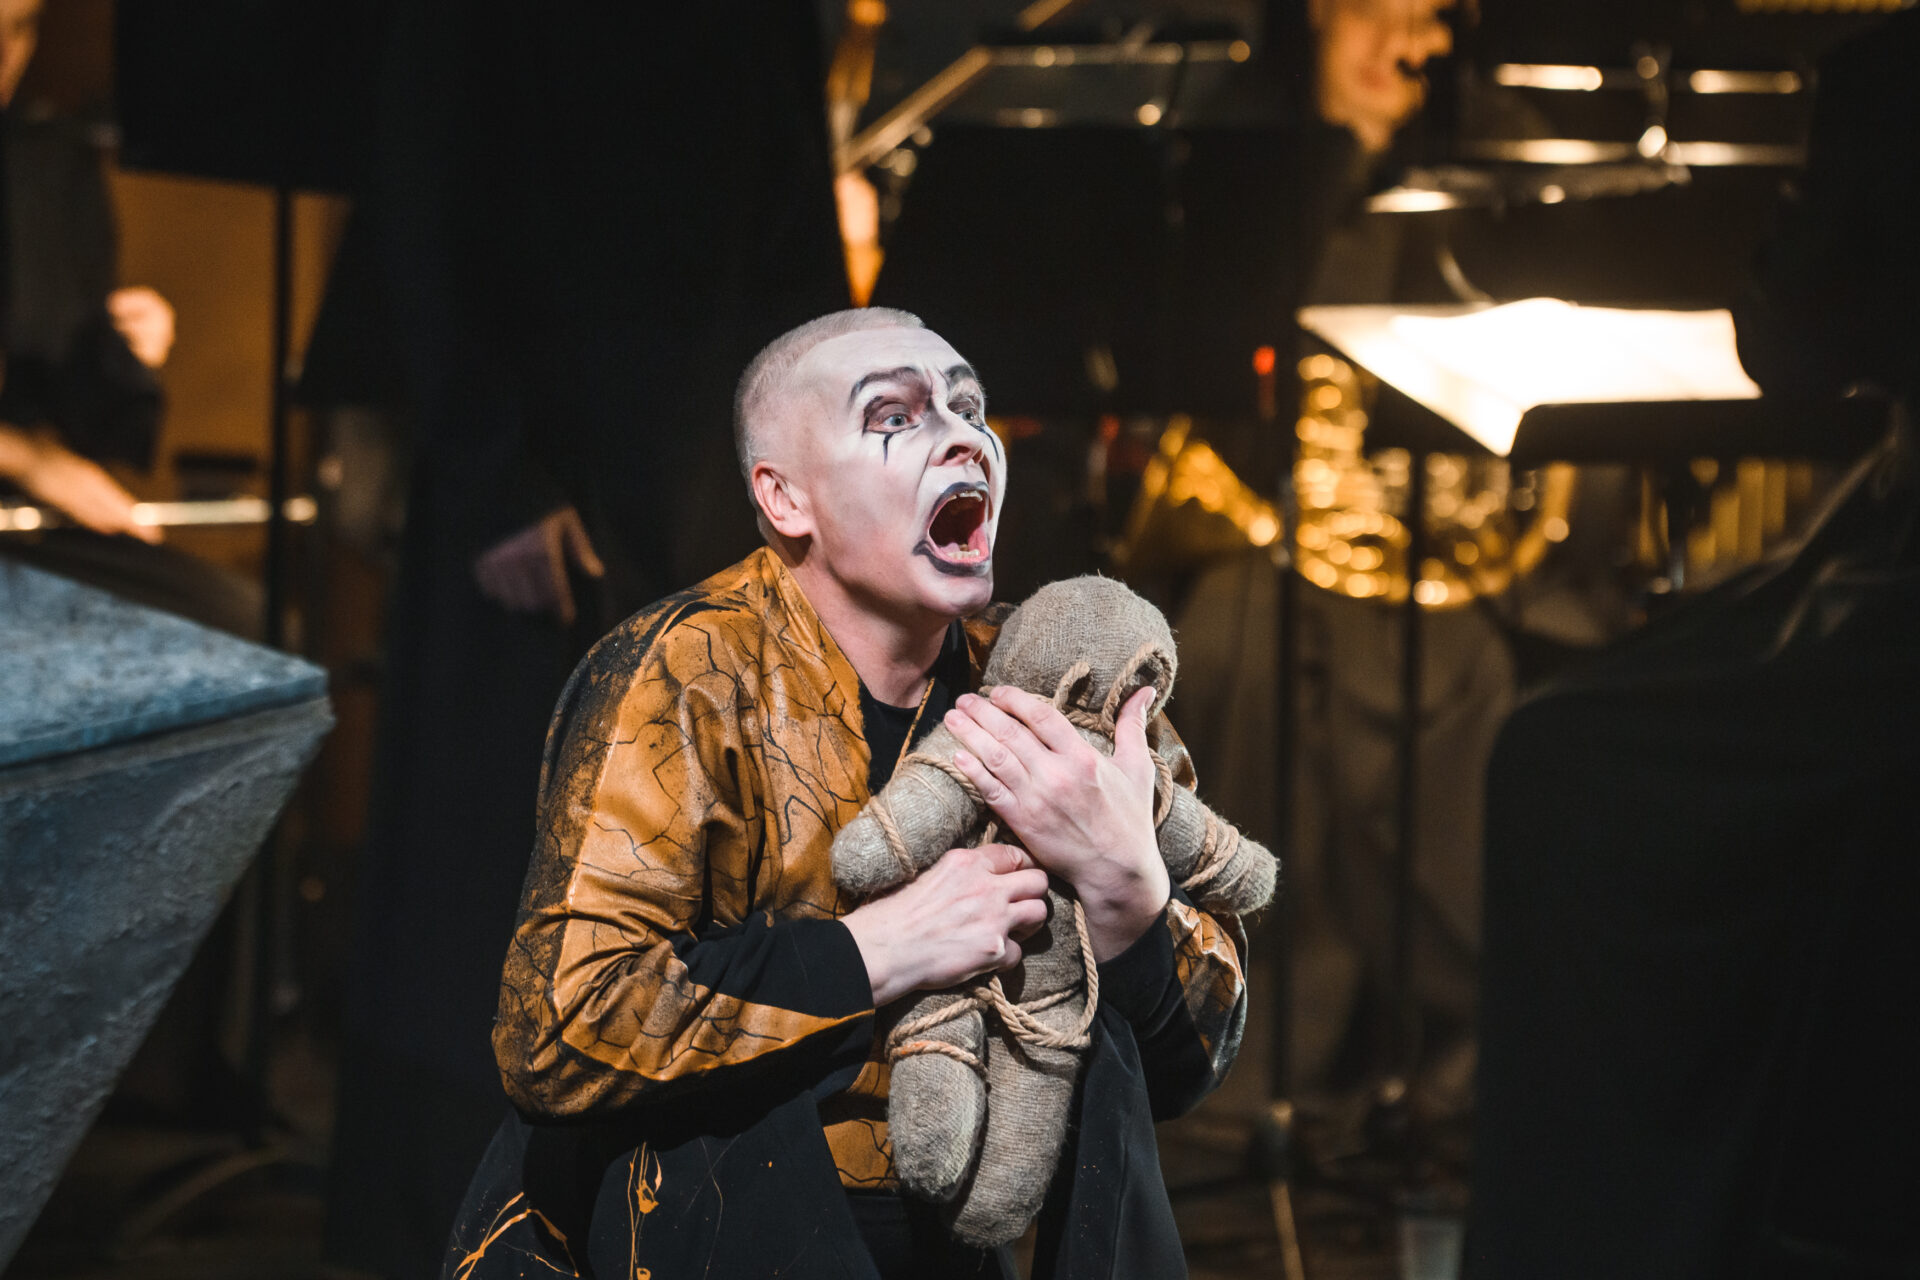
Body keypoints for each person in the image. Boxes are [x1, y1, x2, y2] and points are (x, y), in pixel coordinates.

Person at [441, 308, 1252, 1278]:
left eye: (968, 407)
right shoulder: (688, 673)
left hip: (962, 1240)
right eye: (894, 416)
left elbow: (1193, 1061)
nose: (963, 436)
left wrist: (1129, 896)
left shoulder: (1056, 681)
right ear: (786, 499)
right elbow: (559, 1028)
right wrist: (877, 950)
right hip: (721, 1229)